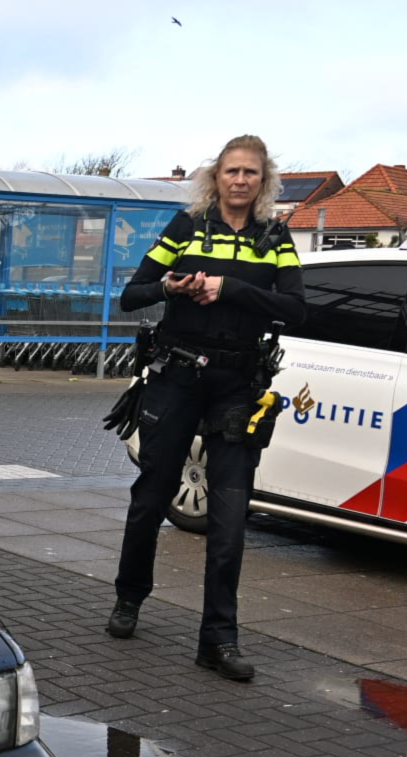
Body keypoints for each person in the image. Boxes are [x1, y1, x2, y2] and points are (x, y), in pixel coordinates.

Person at [106, 134, 304, 681]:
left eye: (251, 174)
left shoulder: (275, 236)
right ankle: (129, 598)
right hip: (177, 377)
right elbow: (134, 294)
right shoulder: (186, 226)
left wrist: (232, 289)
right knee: (151, 496)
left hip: (238, 386)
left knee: (231, 516)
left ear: (264, 182)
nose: (240, 181)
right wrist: (173, 287)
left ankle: (218, 639)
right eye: (232, 171)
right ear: (215, 177)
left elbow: (296, 308)